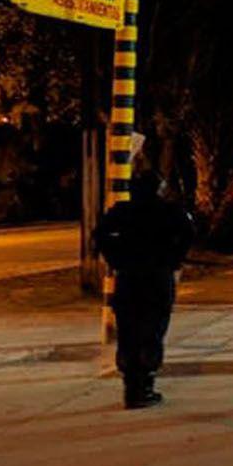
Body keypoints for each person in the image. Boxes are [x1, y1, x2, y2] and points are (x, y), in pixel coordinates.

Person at [93, 170, 195, 409]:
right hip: (157, 276)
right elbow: (188, 234)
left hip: (128, 277)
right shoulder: (170, 212)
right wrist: (174, 259)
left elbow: (100, 235)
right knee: (153, 329)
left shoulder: (122, 212)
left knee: (129, 330)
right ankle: (145, 384)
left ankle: (131, 385)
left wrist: (115, 258)